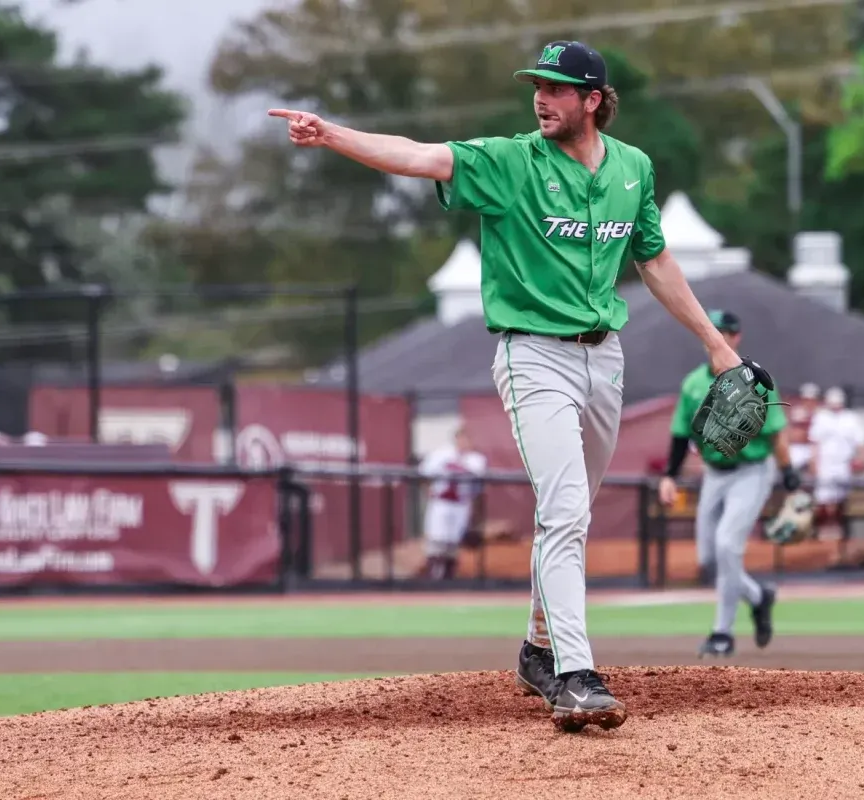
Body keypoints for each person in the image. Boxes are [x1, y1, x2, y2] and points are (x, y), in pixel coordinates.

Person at [269, 40, 742, 731]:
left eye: (555, 88)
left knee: (571, 513)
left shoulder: (633, 169)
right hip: (532, 357)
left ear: (592, 99)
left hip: (604, 356)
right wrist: (331, 133)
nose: (540, 98)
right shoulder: (511, 161)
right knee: (565, 508)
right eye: (536, 87)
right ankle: (575, 676)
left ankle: (538, 650)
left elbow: (656, 261)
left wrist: (714, 342)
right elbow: (422, 156)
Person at [657, 309, 798, 658]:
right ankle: (758, 596)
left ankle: (722, 633)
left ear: (737, 338)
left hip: (752, 471)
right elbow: (679, 434)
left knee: (726, 546)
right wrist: (670, 476)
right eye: (715, 332)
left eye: (727, 333)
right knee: (709, 558)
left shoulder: (756, 380)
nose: (720, 338)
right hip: (715, 474)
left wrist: (789, 471)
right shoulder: (692, 384)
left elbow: (777, 431)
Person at [417, 427, 488, 580]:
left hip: (461, 503)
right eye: (461, 438)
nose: (464, 442)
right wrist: (427, 489)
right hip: (441, 501)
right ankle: (433, 574)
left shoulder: (476, 459)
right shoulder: (441, 454)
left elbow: (479, 485)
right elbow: (422, 473)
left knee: (453, 541)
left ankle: (448, 577)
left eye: (467, 439)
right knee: (436, 538)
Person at [807, 386, 864, 539]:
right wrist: (814, 463)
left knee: (840, 500)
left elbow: (861, 442)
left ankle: (838, 531)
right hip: (825, 465)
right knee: (823, 500)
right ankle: (823, 532)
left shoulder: (851, 418)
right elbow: (815, 442)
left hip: (843, 465)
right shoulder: (821, 417)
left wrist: (863, 458)